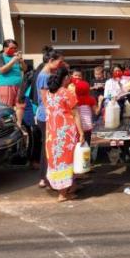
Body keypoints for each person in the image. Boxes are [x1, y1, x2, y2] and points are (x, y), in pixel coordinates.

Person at [45, 67, 85, 202]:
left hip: (52, 132)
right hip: (66, 132)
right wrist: (81, 132)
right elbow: (76, 114)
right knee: (66, 160)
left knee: (57, 160)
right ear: (65, 78)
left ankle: (70, 187)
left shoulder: (49, 94)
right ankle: (63, 194)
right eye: (68, 77)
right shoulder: (68, 93)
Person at [35, 48, 65, 189]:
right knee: (46, 147)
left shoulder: (49, 74)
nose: (61, 64)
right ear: (51, 60)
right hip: (46, 116)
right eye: (60, 61)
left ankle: (47, 177)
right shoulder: (44, 76)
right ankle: (43, 177)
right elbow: (45, 99)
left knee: (49, 147)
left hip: (48, 115)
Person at [0, 39, 26, 107]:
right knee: (7, 107)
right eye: (11, 48)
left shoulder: (15, 57)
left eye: (15, 48)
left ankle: (17, 118)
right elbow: (1, 70)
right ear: (4, 48)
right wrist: (13, 61)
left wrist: (21, 61)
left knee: (20, 106)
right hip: (6, 85)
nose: (14, 50)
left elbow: (24, 69)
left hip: (18, 85)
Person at [75, 80, 102, 145]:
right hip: (88, 127)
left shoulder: (74, 99)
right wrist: (100, 101)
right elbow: (97, 112)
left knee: (78, 147)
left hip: (77, 127)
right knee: (86, 146)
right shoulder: (91, 99)